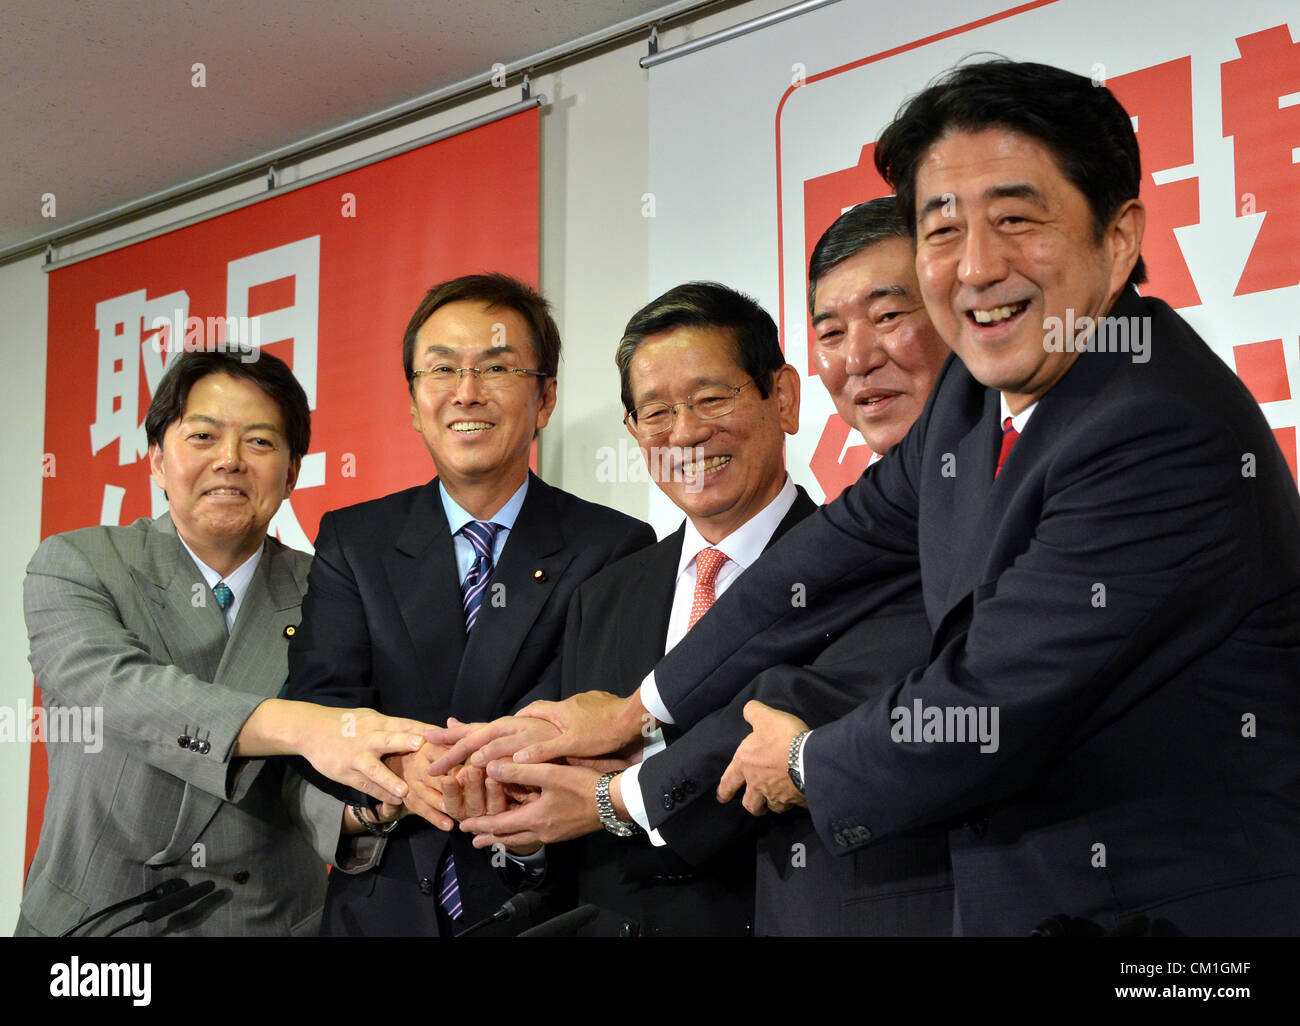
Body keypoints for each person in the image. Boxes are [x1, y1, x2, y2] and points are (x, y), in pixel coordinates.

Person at [499, 61, 1300, 936]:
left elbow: (989, 702)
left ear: (1117, 239)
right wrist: (641, 704)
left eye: (1016, 220)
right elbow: (832, 550)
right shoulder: (972, 401)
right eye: (943, 229)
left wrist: (802, 762)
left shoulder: (1155, 425)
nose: (978, 267)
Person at [441, 205, 955, 935]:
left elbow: (789, 718)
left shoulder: (876, 558)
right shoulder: (606, 593)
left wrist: (612, 793)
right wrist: (521, 822)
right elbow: (571, 828)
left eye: (711, 398)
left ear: (782, 397)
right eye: (655, 413)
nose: (685, 433)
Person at [285, 273, 655, 936]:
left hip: (544, 902)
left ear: (544, 399)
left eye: (496, 367)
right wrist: (402, 777)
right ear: (413, 401)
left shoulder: (614, 546)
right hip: (383, 906)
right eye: (442, 369)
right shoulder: (355, 540)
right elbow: (321, 711)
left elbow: (602, 730)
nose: (466, 391)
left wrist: (498, 783)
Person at [18, 347, 430, 937]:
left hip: (267, 918)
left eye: (260, 442)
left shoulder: (327, 589)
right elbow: (117, 691)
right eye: (203, 436)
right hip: (101, 919)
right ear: (157, 460)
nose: (230, 461)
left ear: (291, 473)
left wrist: (368, 806)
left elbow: (301, 777)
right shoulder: (77, 562)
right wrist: (304, 726)